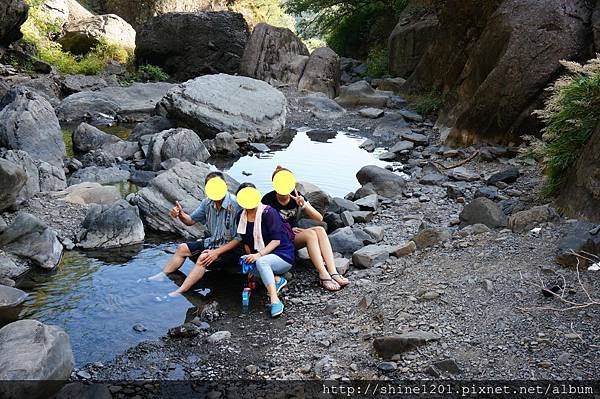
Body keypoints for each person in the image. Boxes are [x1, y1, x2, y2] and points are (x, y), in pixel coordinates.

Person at [150, 171, 242, 296]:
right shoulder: (207, 203)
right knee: (182, 248)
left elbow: (239, 239)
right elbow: (190, 221)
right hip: (213, 241)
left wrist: (216, 253)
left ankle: (181, 290)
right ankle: (163, 274)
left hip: (231, 249)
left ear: (225, 185)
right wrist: (180, 214)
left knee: (202, 258)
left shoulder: (236, 205)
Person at [262, 166, 350, 291]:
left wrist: (303, 205)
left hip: (291, 235)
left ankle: (333, 271)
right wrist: (288, 229)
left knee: (319, 230)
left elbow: (319, 218)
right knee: (310, 235)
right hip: (279, 240)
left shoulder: (297, 196)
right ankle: (323, 274)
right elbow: (264, 227)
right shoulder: (268, 200)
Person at [236, 183, 295, 317]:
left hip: (282, 255)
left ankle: (275, 300)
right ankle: (277, 280)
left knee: (262, 262)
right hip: (260, 255)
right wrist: (250, 259)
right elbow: (246, 243)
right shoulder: (241, 216)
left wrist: (258, 256)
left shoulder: (268, 212)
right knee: (244, 263)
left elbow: (276, 241)